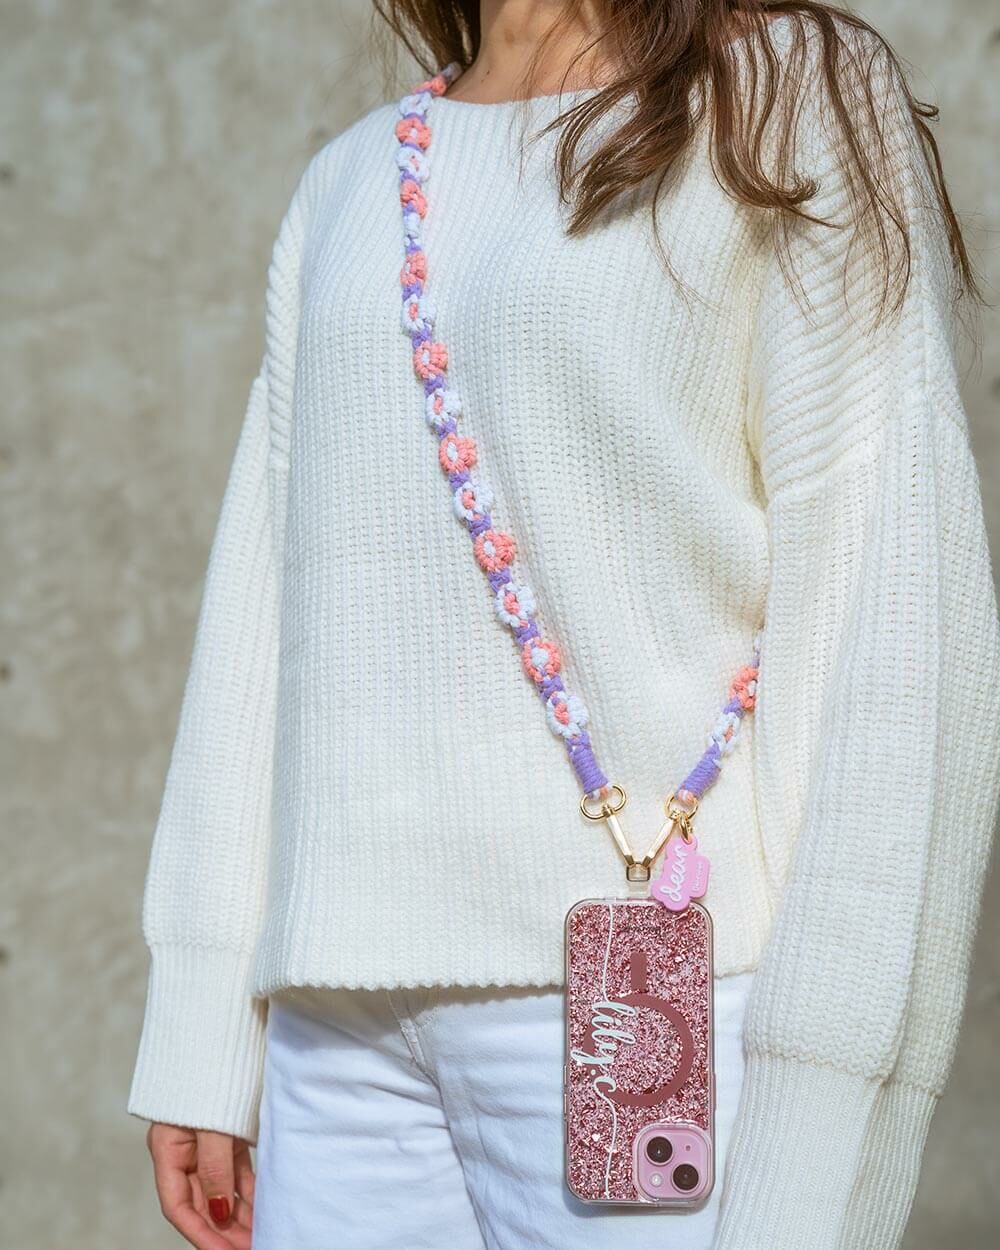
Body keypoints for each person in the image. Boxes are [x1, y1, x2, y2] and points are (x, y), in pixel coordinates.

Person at [126, 2, 1000, 1248]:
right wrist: (205, 1009)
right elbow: (266, 603)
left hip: (654, 1014)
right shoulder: (354, 176)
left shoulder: (779, 91)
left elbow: (889, 601)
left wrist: (826, 1119)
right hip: (335, 1034)